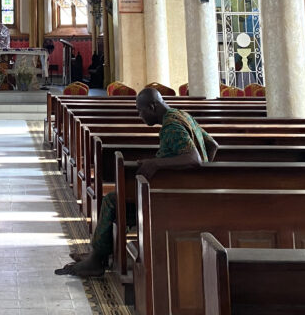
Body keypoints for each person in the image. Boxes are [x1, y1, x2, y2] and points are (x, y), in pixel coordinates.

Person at [56, 88, 218, 277]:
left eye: (141, 111)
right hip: (182, 191)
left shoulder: (171, 127)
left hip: (172, 198)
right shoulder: (182, 115)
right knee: (122, 202)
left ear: (152, 106)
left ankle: (96, 261)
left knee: (112, 201)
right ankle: (99, 253)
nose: (140, 116)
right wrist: (203, 177)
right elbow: (212, 145)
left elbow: (193, 159)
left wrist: (155, 163)